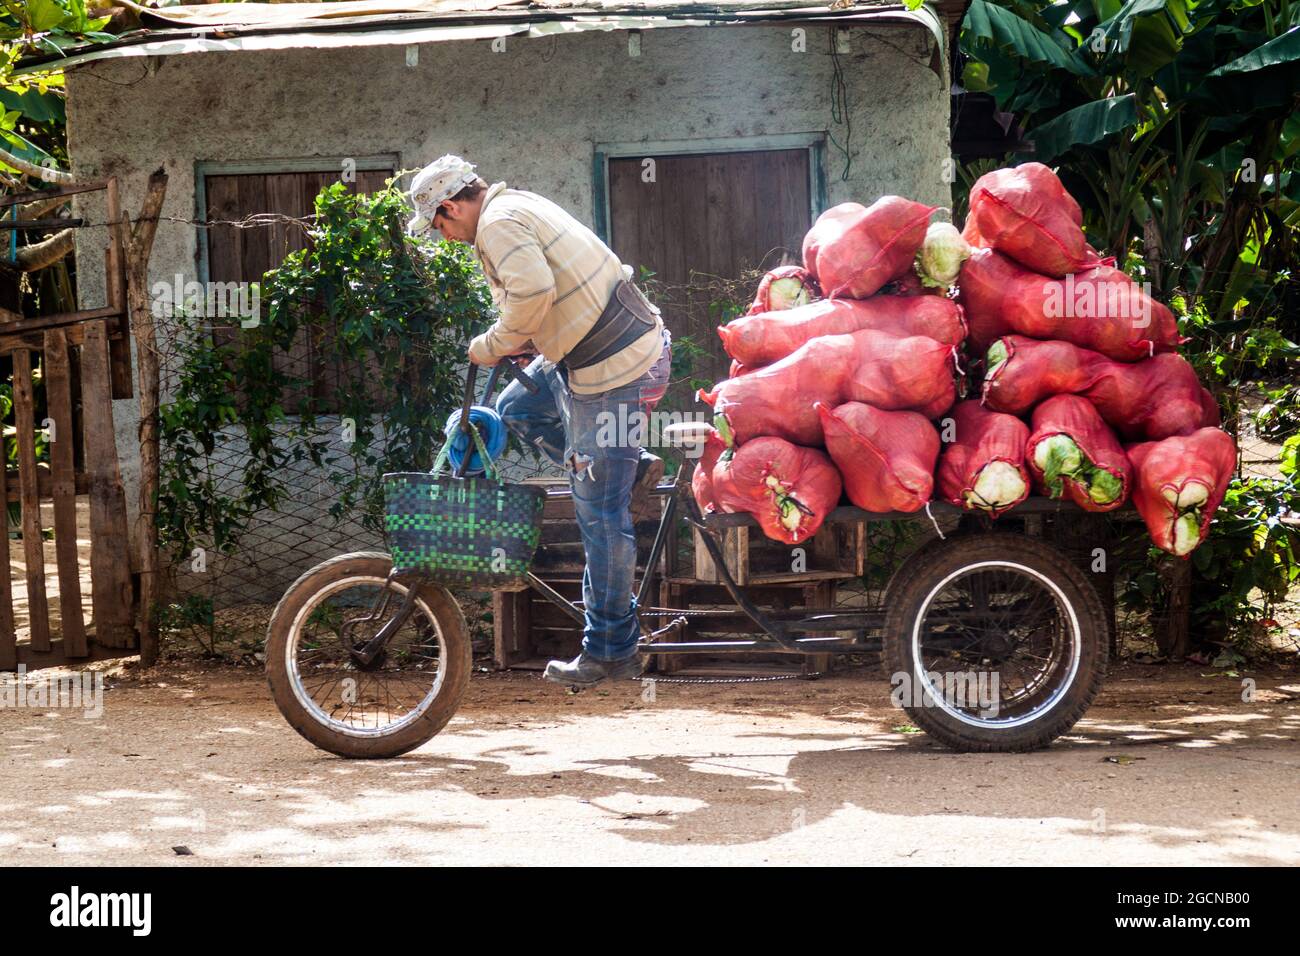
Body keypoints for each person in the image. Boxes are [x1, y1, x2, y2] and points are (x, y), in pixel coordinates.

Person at [406, 155, 671, 688]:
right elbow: (552, 292)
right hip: (596, 351)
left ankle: (612, 649)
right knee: (516, 411)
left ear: (453, 205)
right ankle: (631, 466)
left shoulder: (499, 224)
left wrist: (492, 345)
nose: (444, 235)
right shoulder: (514, 205)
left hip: (617, 365)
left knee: (599, 512)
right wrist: (526, 338)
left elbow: (532, 294)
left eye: (439, 223)